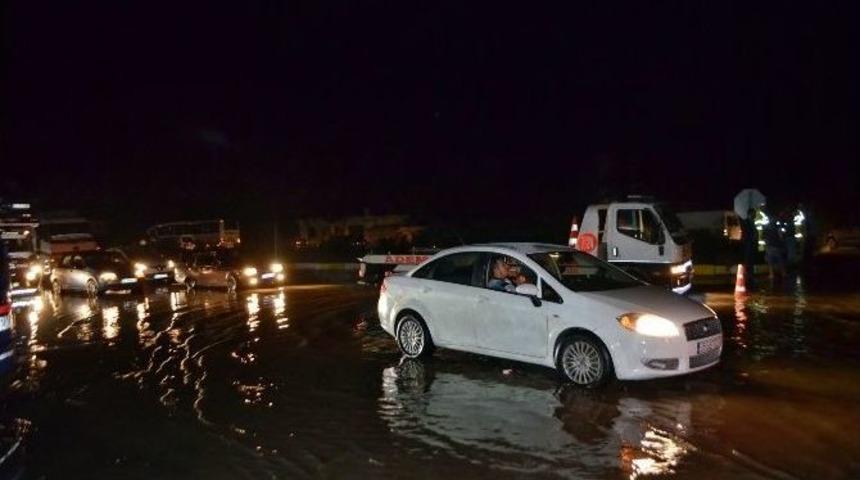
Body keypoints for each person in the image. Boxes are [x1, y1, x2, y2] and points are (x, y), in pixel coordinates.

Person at [740, 208, 758, 290]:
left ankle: (750, 276)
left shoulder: (752, 222)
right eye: (754, 213)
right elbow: (746, 233)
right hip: (748, 243)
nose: (755, 215)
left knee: (751, 260)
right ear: (750, 214)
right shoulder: (746, 222)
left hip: (751, 244)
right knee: (748, 260)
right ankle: (748, 276)